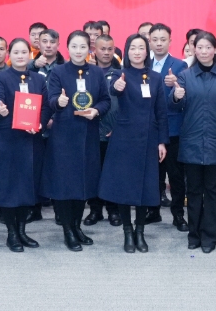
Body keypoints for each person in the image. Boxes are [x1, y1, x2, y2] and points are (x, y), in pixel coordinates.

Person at [99, 34, 168, 253]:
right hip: (123, 139)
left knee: (144, 187)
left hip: (148, 139)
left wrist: (162, 141)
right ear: (127, 52)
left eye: (141, 48)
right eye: (132, 48)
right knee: (124, 187)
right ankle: (127, 232)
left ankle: (140, 231)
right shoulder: (120, 75)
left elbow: (161, 112)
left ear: (147, 51)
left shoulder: (155, 77)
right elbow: (112, 93)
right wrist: (116, 87)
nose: (137, 52)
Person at [42, 31, 110, 251]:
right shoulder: (58, 71)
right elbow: (51, 100)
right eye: (74, 46)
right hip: (63, 137)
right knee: (65, 185)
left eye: (82, 47)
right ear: (67, 48)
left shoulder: (97, 72)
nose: (78, 51)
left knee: (83, 184)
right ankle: (67, 230)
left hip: (88, 136)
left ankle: (77, 226)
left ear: (89, 49)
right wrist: (59, 102)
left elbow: (105, 100)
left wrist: (96, 111)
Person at [171, 32, 216, 253]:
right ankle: (194, 234)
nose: (204, 51)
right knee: (193, 192)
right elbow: (175, 106)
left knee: (213, 193)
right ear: (193, 49)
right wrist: (176, 96)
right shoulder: (184, 76)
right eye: (199, 47)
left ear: (215, 50)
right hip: (191, 143)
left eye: (208, 47)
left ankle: (210, 236)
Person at [0, 39, 49, 252]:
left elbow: (46, 106)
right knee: (9, 188)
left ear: (29, 55)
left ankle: (22, 231)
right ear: (9, 55)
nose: (20, 56)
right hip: (9, 139)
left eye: (24, 52)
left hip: (31, 140)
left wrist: (40, 123)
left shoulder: (38, 79)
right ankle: (11, 233)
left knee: (26, 188)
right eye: (16, 52)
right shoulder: (1, 77)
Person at [149, 24, 189, 230]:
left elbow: (183, 98)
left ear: (170, 42)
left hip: (173, 128)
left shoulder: (180, 66)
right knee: (153, 174)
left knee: (175, 175)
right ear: (149, 41)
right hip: (149, 128)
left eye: (163, 39)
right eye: (155, 39)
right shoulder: (143, 64)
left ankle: (178, 215)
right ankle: (153, 211)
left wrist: (175, 86)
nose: (159, 43)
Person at [85, 34, 122, 226]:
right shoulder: (86, 73)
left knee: (112, 173)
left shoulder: (121, 74)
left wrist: (119, 127)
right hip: (90, 130)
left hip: (112, 132)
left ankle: (113, 211)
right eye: (102, 49)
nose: (106, 53)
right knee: (93, 172)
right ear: (94, 50)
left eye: (110, 49)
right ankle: (95, 210)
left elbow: (127, 104)